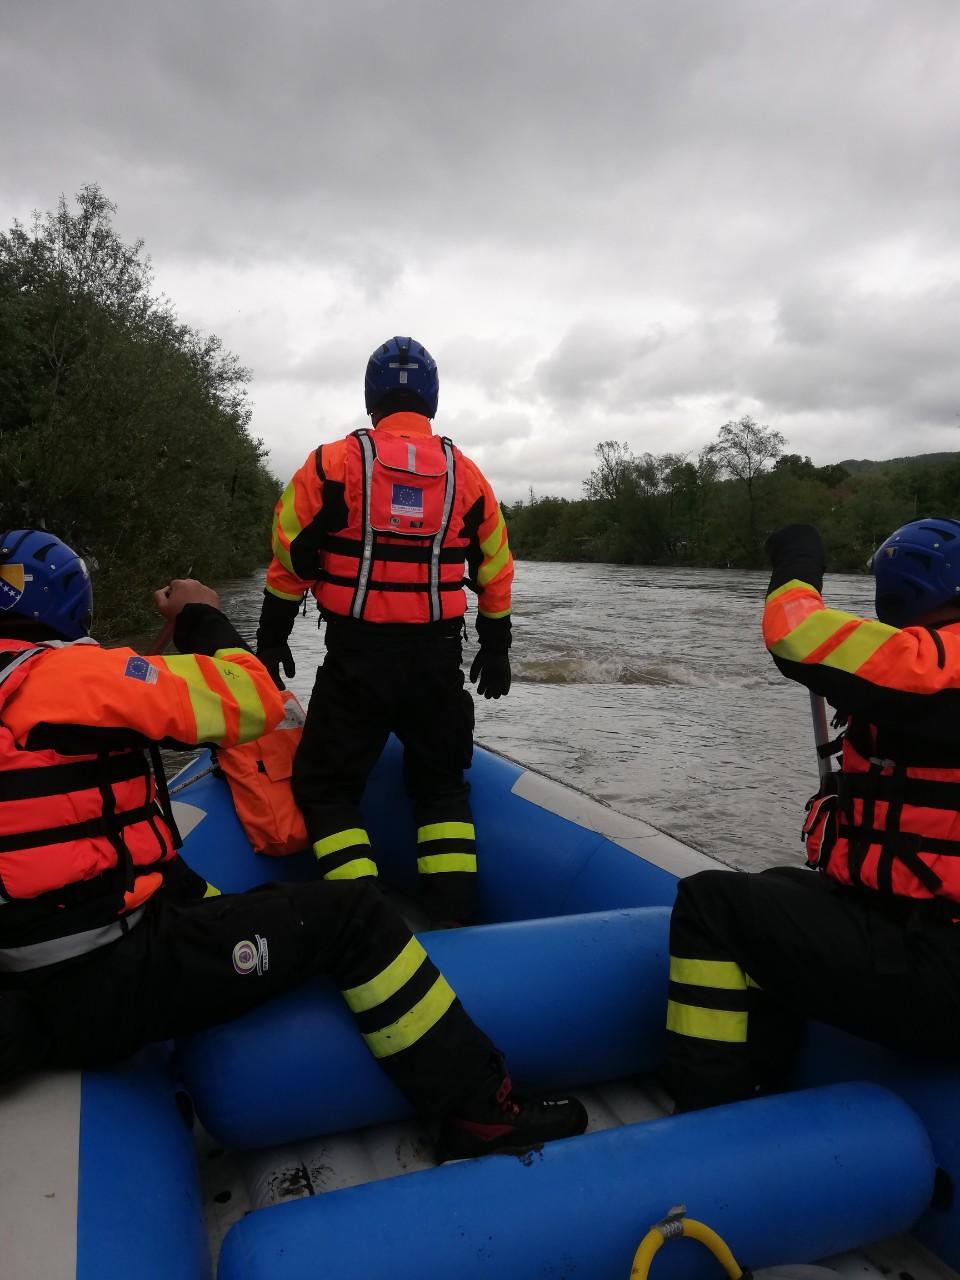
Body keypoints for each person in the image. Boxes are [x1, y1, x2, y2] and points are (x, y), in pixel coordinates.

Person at [0, 527, 587, 1160]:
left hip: (33, 966)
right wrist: (201, 614)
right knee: (356, 915)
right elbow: (256, 702)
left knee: (185, 881)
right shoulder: (72, 678)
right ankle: (480, 1112)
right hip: (106, 975)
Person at [662, 518, 960, 1112]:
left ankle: (705, 1112)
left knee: (711, 904)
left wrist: (797, 559)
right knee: (777, 887)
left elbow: (796, 635)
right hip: (926, 936)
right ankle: (767, 1081)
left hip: (937, 969)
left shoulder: (936, 662)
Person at [255, 336, 513, 928]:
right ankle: (453, 917)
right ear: (433, 397)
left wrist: (271, 638)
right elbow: (496, 569)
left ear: (371, 396)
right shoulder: (467, 475)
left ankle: (365, 919)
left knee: (327, 789)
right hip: (436, 662)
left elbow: (290, 555)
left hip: (355, 662)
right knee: (441, 787)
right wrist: (496, 647)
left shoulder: (331, 463)